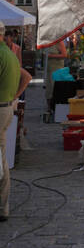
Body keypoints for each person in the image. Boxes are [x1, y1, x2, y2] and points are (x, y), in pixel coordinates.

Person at [0, 20, 32, 226]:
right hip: (6, 108)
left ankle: (3, 205)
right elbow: (27, 76)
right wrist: (15, 97)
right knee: (1, 158)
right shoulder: (10, 54)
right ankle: (3, 206)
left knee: (0, 159)